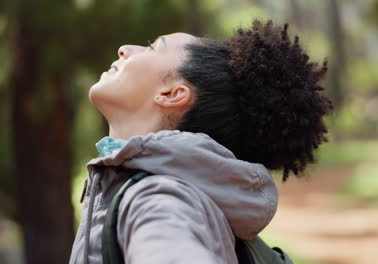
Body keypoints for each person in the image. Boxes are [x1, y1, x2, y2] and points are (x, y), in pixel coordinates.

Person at [69, 19, 332, 264]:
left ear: (172, 94)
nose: (124, 49)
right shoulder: (161, 187)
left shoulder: (159, 200)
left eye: (152, 48)